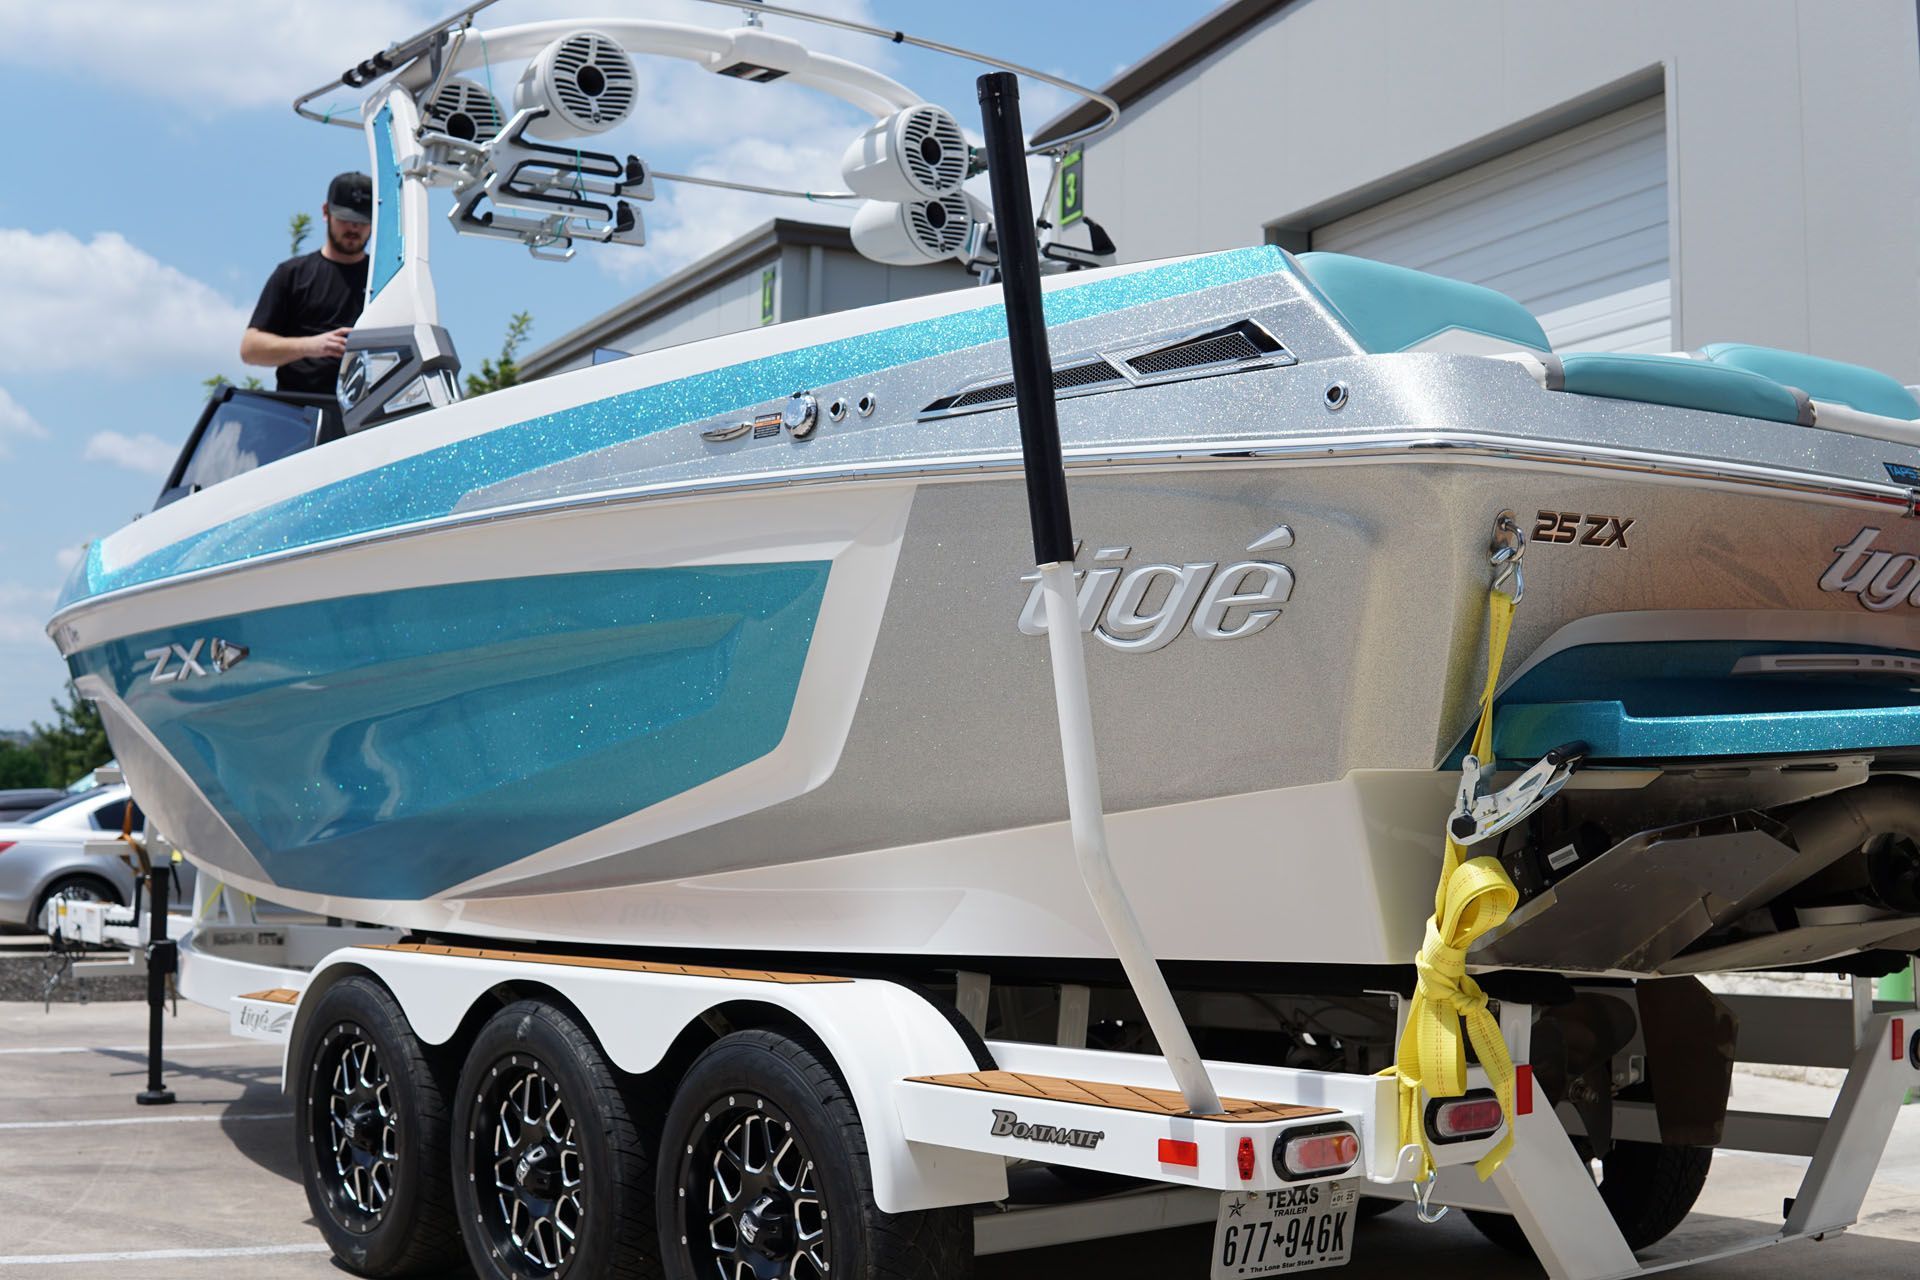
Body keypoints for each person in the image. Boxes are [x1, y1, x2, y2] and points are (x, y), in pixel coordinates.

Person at [240, 172, 373, 395]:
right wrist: (312, 346)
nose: (353, 229)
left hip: (367, 417)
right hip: (298, 414)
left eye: (361, 221)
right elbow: (250, 349)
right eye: (344, 219)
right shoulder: (292, 274)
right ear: (325, 212)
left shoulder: (383, 278)